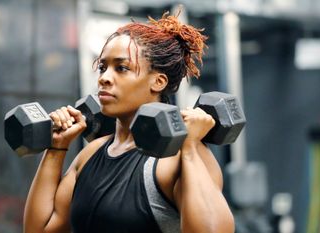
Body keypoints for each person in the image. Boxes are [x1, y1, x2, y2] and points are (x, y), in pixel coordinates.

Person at [23, 10, 235, 233]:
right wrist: (57, 148)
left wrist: (190, 147)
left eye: (121, 68)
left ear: (158, 81)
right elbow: (40, 229)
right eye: (103, 67)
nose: (104, 78)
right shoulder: (91, 153)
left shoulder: (178, 156)